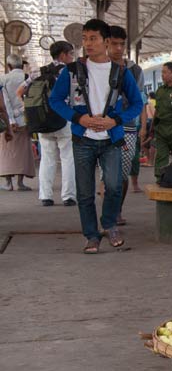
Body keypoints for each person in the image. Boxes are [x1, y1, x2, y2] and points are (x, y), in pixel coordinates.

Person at [48, 18, 144, 253]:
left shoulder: (121, 73)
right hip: (83, 139)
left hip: (111, 139)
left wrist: (115, 120)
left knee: (113, 185)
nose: (87, 44)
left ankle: (110, 224)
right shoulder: (71, 72)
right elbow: (55, 100)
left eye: (93, 38)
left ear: (106, 41)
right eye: (84, 38)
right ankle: (92, 235)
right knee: (84, 192)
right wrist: (79, 118)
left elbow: (137, 103)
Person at [16, 41, 76, 205]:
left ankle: (46, 196)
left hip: (42, 120)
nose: (72, 57)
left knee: (47, 159)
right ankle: (68, 196)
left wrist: (32, 107)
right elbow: (75, 97)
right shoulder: (69, 72)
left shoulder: (38, 72)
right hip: (63, 120)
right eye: (71, 53)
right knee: (67, 157)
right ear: (63, 55)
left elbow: (19, 91)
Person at [107, 25, 146, 225]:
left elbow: (138, 100)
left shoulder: (134, 70)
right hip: (97, 127)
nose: (118, 48)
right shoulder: (92, 68)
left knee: (121, 172)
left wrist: (143, 125)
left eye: (122, 44)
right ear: (106, 43)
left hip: (126, 126)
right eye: (114, 44)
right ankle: (109, 213)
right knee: (107, 175)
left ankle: (116, 211)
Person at [0, 55, 34, 191]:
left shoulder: (4, 78)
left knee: (6, 151)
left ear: (9, 66)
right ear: (22, 65)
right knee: (23, 151)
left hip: (7, 120)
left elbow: (5, 102)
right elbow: (30, 99)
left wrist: (11, 119)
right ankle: (20, 183)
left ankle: (8, 183)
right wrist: (20, 113)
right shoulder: (28, 78)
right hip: (25, 120)